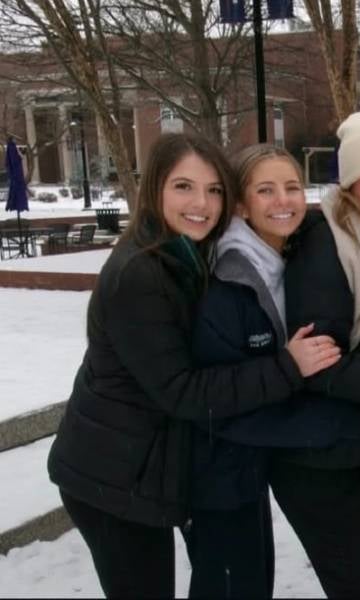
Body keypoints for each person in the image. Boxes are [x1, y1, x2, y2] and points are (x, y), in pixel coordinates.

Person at [46, 133, 313, 598]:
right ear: (156, 190)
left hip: (144, 463)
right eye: (184, 187)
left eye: (213, 190)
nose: (201, 203)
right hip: (111, 477)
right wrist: (287, 368)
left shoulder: (183, 254)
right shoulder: (141, 274)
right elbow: (181, 391)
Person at [265, 112, 360, 597]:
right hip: (315, 461)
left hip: (359, 451)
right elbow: (318, 364)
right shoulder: (325, 244)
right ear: (350, 182)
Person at [185, 144, 338, 598]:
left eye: (292, 187)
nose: (283, 200)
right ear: (240, 205)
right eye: (266, 190)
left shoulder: (280, 261)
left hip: (247, 473)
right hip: (217, 476)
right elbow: (215, 403)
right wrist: (323, 425)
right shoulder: (229, 284)